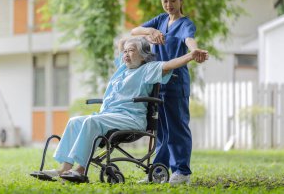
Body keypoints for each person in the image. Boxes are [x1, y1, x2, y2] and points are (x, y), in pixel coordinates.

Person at [31, 36, 208, 183]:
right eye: (125, 51)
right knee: (74, 121)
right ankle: (63, 168)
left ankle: (80, 170)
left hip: (131, 118)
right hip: (109, 116)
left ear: (144, 55)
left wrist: (191, 55)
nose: (126, 54)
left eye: (131, 51)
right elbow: (122, 41)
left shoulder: (148, 68)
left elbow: (170, 64)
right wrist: (146, 32)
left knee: (92, 121)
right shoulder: (123, 68)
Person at [131, 0, 208, 185]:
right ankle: (159, 171)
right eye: (165, 0)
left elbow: (189, 40)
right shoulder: (160, 20)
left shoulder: (185, 23)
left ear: (180, 0)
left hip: (175, 83)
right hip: (158, 83)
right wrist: (150, 32)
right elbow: (134, 31)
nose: (169, 4)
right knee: (161, 131)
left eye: (173, 0)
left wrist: (195, 51)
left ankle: (182, 172)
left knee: (177, 128)